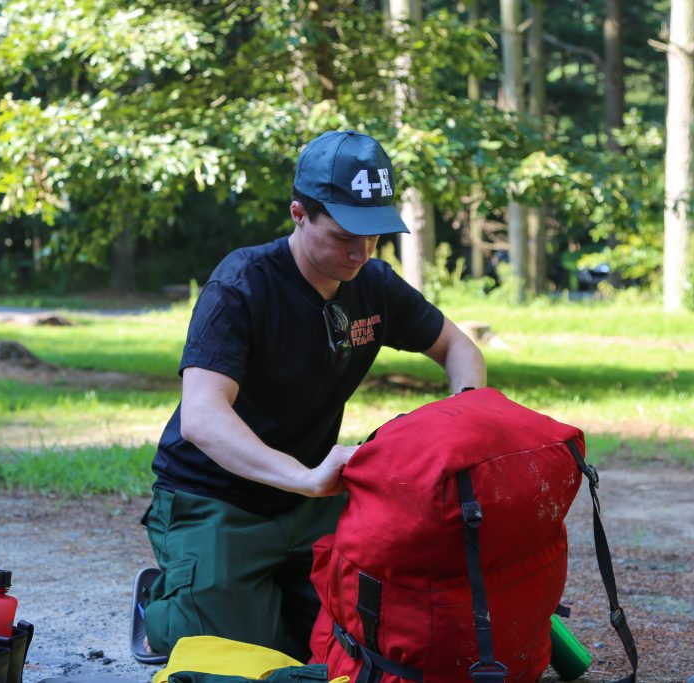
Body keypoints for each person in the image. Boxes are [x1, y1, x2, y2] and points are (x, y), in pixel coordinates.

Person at [141, 130, 486, 662]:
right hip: (213, 499)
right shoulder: (242, 285)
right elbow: (203, 418)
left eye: (374, 235)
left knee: (368, 640)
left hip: (312, 504)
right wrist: (302, 477)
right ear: (300, 214)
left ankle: (260, 593)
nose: (361, 251)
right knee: (241, 659)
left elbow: (459, 348)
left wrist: (463, 425)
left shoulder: (374, 283)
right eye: (346, 234)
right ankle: (164, 602)